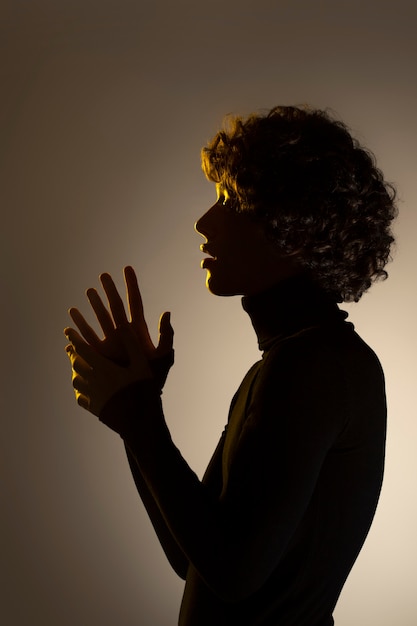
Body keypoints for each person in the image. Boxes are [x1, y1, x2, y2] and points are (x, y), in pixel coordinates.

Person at [64, 105, 397, 625]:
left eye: (232, 201)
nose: (204, 223)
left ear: (296, 229)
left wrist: (140, 420)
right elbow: (193, 558)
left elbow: (233, 574)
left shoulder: (316, 367)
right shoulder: (293, 362)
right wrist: (138, 414)